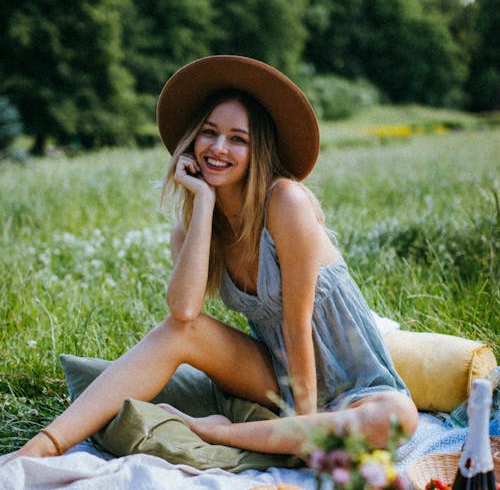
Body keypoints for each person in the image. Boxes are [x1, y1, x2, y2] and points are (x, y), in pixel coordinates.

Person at [10, 55, 418, 462]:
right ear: (193, 140)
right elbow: (184, 311)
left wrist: (301, 426)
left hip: (355, 384)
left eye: (238, 139)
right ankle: (40, 448)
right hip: (275, 374)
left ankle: (223, 433)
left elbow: (297, 329)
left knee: (399, 418)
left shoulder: (285, 201)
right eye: (209, 133)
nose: (219, 148)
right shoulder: (193, 228)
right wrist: (203, 202)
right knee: (178, 330)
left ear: (257, 149)